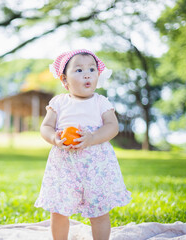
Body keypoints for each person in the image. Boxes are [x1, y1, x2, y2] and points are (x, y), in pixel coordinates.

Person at [35, 49, 132, 240]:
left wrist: (92, 138)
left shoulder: (101, 102)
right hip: (64, 166)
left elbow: (112, 127)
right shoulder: (59, 102)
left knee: (99, 211)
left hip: (96, 166)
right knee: (59, 210)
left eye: (92, 69)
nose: (87, 74)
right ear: (64, 80)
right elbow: (46, 126)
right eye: (78, 70)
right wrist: (54, 138)